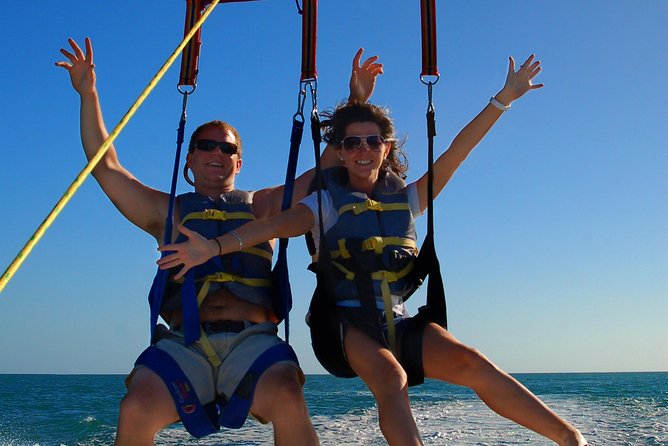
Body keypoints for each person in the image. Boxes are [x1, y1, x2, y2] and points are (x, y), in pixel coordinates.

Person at [160, 54, 589, 446]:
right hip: (343, 325)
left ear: (386, 148)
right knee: (391, 376)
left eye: (372, 141)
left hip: (397, 320)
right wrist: (213, 247)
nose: (362, 149)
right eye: (351, 143)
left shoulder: (409, 198)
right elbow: (270, 226)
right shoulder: (322, 202)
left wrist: (504, 99)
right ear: (340, 154)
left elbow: (459, 150)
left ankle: (570, 439)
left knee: (473, 362)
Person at [56, 37, 383, 445]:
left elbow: (328, 165)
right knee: (134, 406)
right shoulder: (167, 211)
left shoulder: (263, 206)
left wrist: (354, 100)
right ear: (190, 159)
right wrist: (89, 94)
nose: (216, 152)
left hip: (253, 342)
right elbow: (105, 166)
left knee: (287, 394)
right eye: (205, 146)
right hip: (184, 345)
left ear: (239, 161)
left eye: (227, 147)